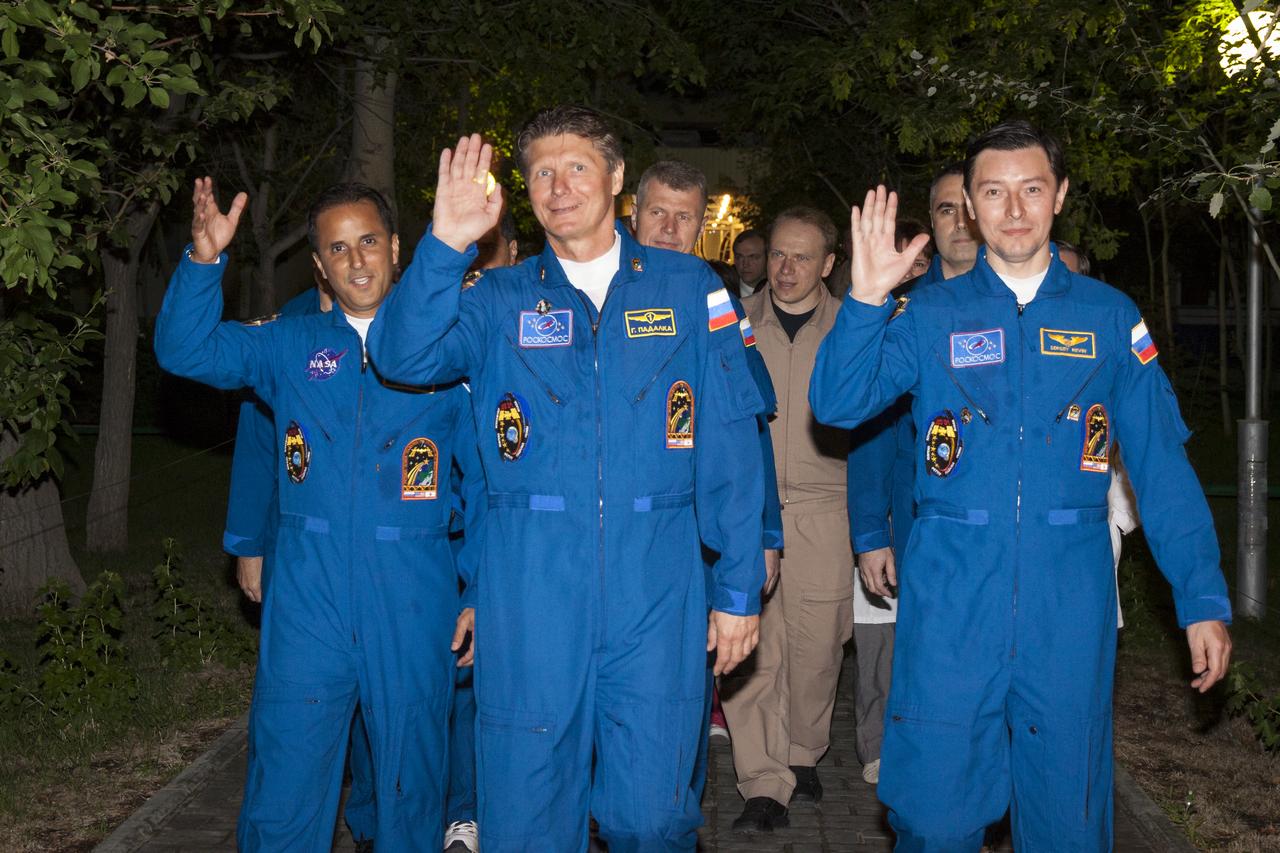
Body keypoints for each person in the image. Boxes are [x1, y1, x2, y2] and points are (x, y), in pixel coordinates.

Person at [810, 120, 1232, 850]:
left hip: (1068, 604)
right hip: (950, 604)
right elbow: (838, 404)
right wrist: (866, 301)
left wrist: (1201, 598)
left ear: (1059, 195)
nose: (1013, 210)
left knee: (1067, 821)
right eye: (993, 192)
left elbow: (1163, 470)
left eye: (1031, 190)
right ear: (971, 206)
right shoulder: (930, 314)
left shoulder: (1109, 317)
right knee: (933, 819)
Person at [367, 107, 767, 852]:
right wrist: (445, 245)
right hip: (530, 600)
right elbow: (400, 356)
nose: (559, 186)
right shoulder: (498, 299)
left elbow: (733, 449)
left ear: (616, 178)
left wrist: (738, 591)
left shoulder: (690, 289)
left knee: (654, 819)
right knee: (526, 818)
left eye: (577, 167)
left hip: (656, 595)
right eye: (542, 172)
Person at [155, 179, 484, 851]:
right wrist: (203, 261)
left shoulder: (450, 352)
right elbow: (184, 351)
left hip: (414, 595)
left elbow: (484, 484)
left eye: (369, 241)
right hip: (310, 601)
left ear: (397, 247)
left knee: (410, 789)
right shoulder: (289, 344)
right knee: (285, 788)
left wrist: (480, 587)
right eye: (338, 248)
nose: (356, 260)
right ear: (319, 266)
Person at [630, 159, 784, 756]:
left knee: (679, 698)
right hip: (613, 534)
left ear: (701, 228)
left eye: (685, 218)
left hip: (693, 536)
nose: (670, 229)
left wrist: (764, 533)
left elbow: (748, 427)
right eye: (658, 213)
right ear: (634, 214)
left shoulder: (715, 301)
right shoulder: (595, 292)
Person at [720, 206, 857, 834]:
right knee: (749, 651)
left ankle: (803, 751)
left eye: (802, 256)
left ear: (827, 264)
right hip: (748, 510)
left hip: (826, 508)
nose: (785, 267)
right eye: (777, 253)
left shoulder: (853, 327)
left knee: (819, 648)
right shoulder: (733, 325)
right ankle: (762, 781)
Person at [847, 164, 981, 787]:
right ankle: (931, 790)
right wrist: (870, 532)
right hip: (923, 530)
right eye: (946, 209)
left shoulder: (1027, 307)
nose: (961, 222)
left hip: (1007, 538)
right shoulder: (905, 314)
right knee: (928, 669)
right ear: (931, 222)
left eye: (969, 206)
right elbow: (869, 429)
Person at [733, 228, 768, 296]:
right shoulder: (724, 294)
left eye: (753, 257)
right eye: (739, 257)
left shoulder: (780, 293)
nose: (745, 264)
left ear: (767, 258)